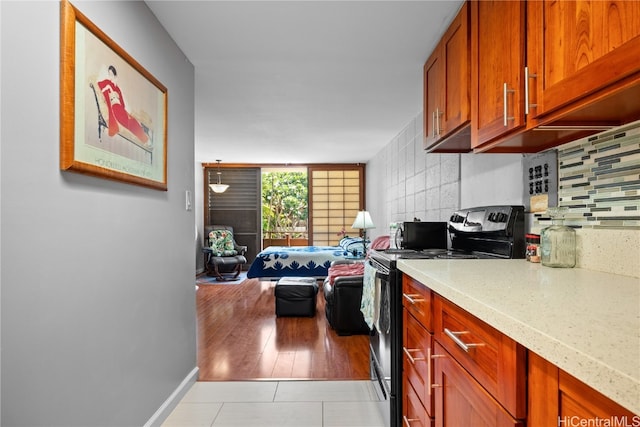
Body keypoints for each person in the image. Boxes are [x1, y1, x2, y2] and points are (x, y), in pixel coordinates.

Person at [97, 65, 149, 144]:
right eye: (109, 74)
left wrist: (125, 110)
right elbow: (99, 84)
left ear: (115, 75)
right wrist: (108, 88)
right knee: (130, 122)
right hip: (115, 108)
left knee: (133, 121)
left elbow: (122, 102)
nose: (110, 76)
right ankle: (143, 138)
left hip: (120, 108)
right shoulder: (107, 82)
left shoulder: (118, 88)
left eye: (111, 74)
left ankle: (144, 137)